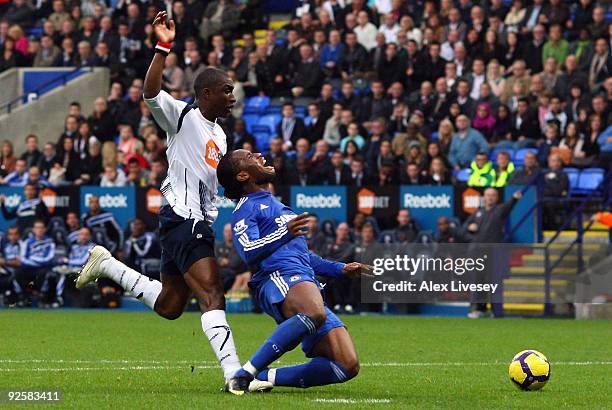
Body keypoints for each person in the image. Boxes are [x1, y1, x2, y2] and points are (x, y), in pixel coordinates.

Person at [76, 11, 246, 394]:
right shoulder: (182, 115)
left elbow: (213, 180)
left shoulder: (219, 134)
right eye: (227, 90)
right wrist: (163, 47)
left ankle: (110, 266)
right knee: (212, 294)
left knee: (170, 306)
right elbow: (150, 92)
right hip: (184, 217)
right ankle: (235, 373)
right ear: (206, 94)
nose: (232, 96)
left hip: (189, 218)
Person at [217, 149, 370, 393]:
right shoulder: (244, 210)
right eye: (249, 156)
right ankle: (243, 374)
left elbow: (304, 257)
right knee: (313, 312)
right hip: (276, 278)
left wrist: (341, 268)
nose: (258, 154)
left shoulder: (277, 204)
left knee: (346, 365)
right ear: (243, 176)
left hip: (303, 280)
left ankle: (262, 377)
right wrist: (284, 232)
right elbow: (248, 250)